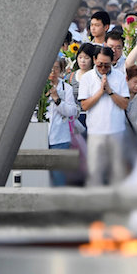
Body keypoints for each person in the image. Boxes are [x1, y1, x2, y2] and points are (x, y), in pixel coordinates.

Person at [78, 47, 130, 186]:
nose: (103, 68)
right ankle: (94, 203)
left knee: (117, 170)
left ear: (112, 61)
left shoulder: (119, 76)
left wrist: (110, 91)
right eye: (100, 64)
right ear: (94, 60)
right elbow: (84, 105)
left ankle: (117, 203)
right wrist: (100, 92)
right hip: (96, 131)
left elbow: (125, 104)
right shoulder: (87, 78)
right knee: (95, 170)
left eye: (106, 65)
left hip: (116, 130)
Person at [45, 57, 80, 186]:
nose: (52, 71)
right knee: (40, 176)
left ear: (61, 70)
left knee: (58, 175)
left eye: (56, 68)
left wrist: (57, 99)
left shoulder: (67, 88)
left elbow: (72, 111)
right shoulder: (37, 86)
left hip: (60, 138)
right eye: (50, 68)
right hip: (39, 136)